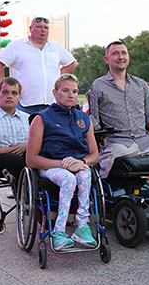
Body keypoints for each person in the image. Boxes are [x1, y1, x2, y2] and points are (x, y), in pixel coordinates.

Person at [26, 74, 99, 250]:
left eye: (74, 91)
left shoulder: (84, 118)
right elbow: (31, 159)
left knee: (85, 174)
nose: (71, 95)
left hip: (78, 165)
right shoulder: (42, 118)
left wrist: (81, 161)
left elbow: (95, 155)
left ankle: (82, 227)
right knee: (69, 178)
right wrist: (64, 164)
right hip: (49, 167)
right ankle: (58, 232)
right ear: (55, 92)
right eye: (65, 90)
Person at [89, 41, 149, 179]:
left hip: (144, 141)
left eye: (123, 53)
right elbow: (94, 120)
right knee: (111, 156)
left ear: (128, 56)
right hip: (118, 143)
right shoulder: (99, 85)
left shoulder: (141, 84)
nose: (120, 57)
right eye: (115, 53)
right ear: (106, 59)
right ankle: (102, 189)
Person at [0, 17, 77, 114]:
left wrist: (58, 76)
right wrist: (3, 87)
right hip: (23, 103)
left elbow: (72, 63)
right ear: (30, 28)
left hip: (50, 103)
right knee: (23, 129)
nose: (43, 30)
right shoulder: (17, 46)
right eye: (39, 27)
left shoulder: (56, 47)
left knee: (49, 129)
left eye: (46, 28)